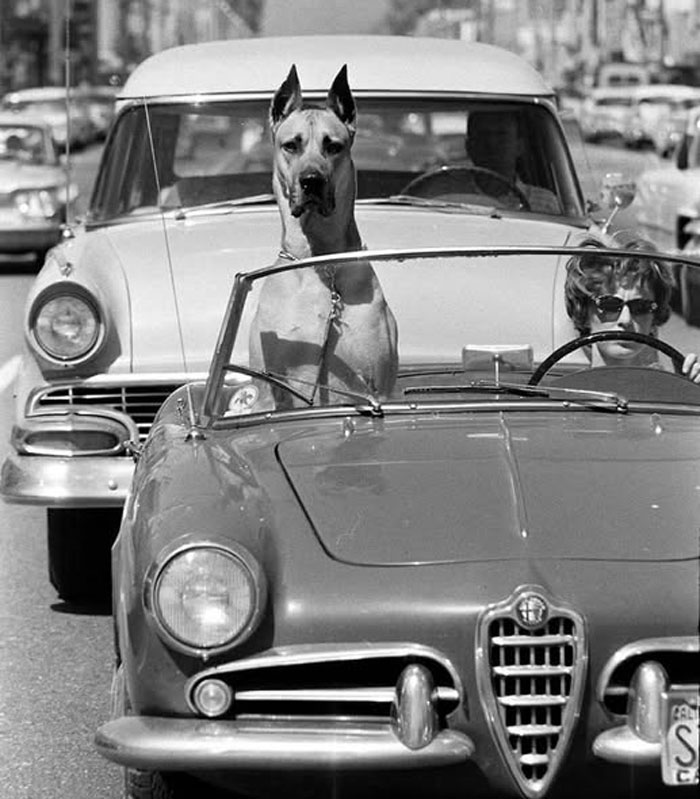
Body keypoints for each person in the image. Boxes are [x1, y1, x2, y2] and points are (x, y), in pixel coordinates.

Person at [564, 232, 700, 382]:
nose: (626, 319)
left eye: (641, 307)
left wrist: (688, 391)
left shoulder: (672, 390)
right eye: (609, 305)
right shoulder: (560, 396)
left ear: (654, 317)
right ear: (584, 312)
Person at [465, 110, 560, 214]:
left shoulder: (545, 204)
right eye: (483, 136)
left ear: (519, 146)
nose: (492, 145)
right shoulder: (450, 196)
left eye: (501, 136)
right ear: (469, 147)